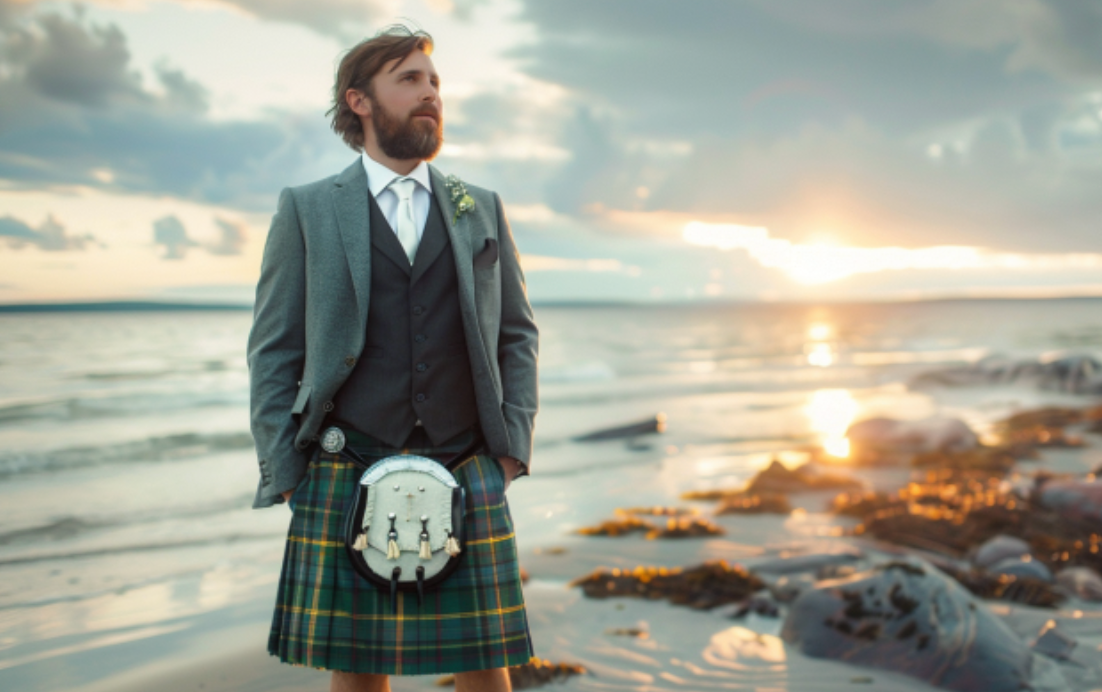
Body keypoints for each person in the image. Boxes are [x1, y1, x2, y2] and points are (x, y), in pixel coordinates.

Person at [246, 24, 538, 692]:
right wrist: (288, 471)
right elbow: (273, 350)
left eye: (434, 81)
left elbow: (516, 334)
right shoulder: (308, 209)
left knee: (487, 668)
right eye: (409, 79)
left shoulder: (480, 207)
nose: (430, 93)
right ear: (359, 101)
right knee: (357, 671)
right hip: (345, 464)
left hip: (469, 462)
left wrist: (511, 451)